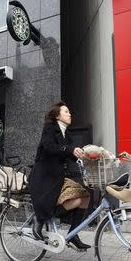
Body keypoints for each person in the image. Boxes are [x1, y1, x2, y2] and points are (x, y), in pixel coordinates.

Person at [29, 101, 91, 250]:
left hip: (58, 176)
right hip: (44, 176)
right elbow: (50, 147)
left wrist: (84, 157)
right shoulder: (49, 128)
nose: (70, 114)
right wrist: (70, 150)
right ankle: (40, 218)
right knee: (73, 200)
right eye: (66, 112)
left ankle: (73, 235)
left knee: (85, 197)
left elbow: (69, 153)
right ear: (57, 115)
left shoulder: (67, 133)